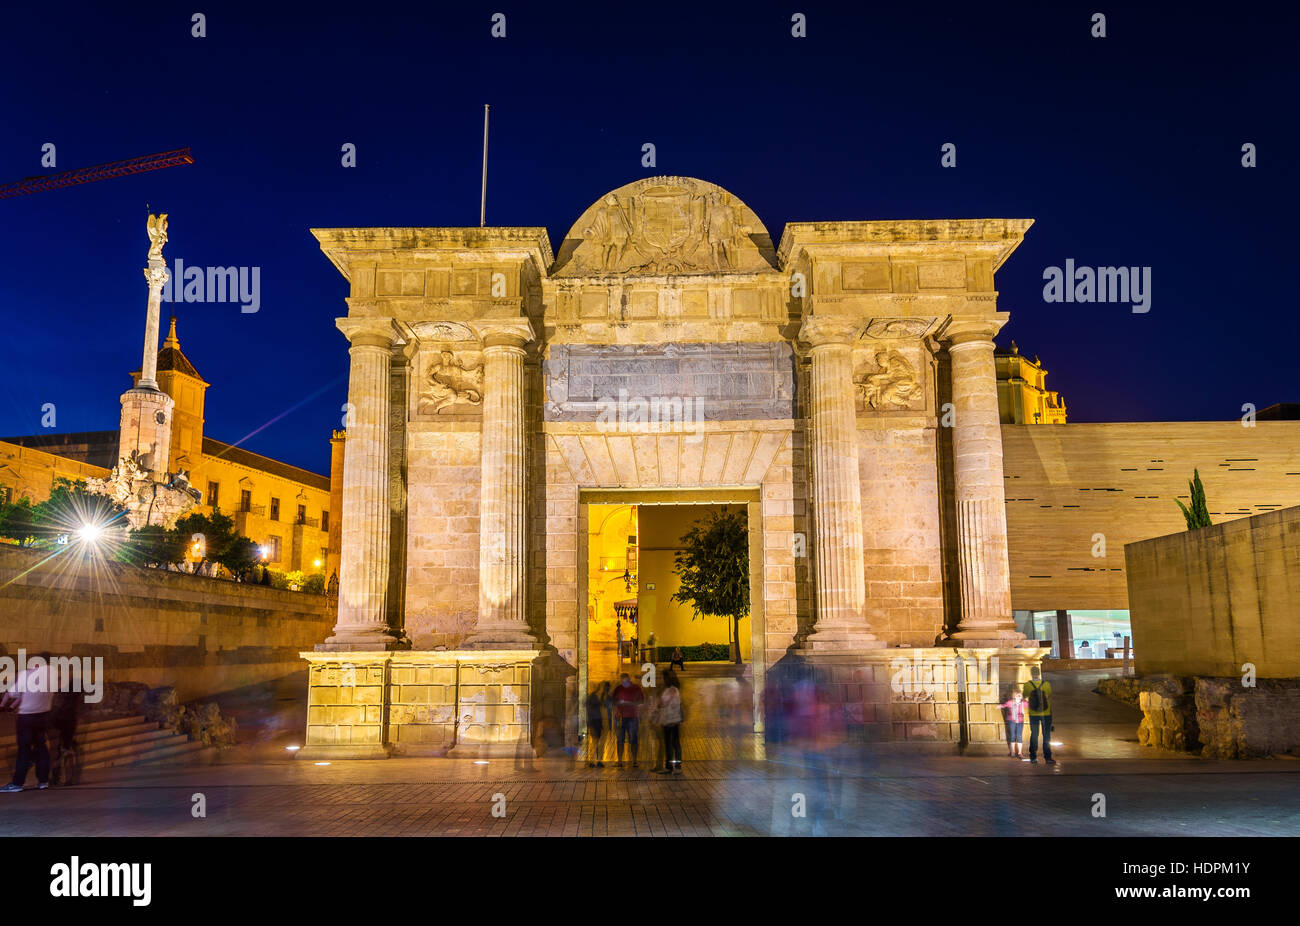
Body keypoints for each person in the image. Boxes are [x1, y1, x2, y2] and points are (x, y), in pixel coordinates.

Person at [1, 651, 55, 792]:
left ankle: (17, 783)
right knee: (42, 748)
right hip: (43, 716)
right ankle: (43, 781)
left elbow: (13, 693)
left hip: (26, 717)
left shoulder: (27, 674)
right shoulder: (54, 675)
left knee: (24, 749)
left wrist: (4, 705)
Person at [611, 673, 644, 768]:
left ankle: (634, 761)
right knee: (620, 740)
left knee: (633, 739)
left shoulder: (636, 688)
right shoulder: (618, 688)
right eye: (622, 681)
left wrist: (628, 703)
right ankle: (620, 761)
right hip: (621, 717)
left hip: (633, 717)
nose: (624, 683)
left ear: (629, 679)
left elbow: (641, 701)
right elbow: (613, 701)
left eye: (625, 681)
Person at [1023, 668, 1055, 765]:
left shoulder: (1027, 685)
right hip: (1046, 713)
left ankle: (1033, 757)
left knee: (1034, 735)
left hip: (1033, 714)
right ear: (1039, 673)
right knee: (1046, 736)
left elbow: (1025, 695)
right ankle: (1048, 758)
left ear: (1031, 674)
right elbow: (1048, 695)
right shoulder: (1046, 684)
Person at [657, 669, 684, 774]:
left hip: (673, 720)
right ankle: (669, 766)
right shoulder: (667, 690)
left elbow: (663, 703)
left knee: (675, 743)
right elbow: (661, 704)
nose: (661, 680)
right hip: (666, 720)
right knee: (668, 744)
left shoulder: (673, 690)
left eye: (662, 678)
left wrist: (661, 702)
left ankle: (677, 767)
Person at [585, 682, 608, 768]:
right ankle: (593, 761)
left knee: (597, 741)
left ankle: (596, 760)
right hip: (594, 721)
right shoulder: (592, 697)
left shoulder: (595, 696)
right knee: (595, 741)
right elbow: (593, 708)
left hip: (596, 721)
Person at [1000, 688, 1026, 758]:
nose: (1019, 697)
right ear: (1014, 696)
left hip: (1020, 721)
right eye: (1018, 695)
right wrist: (1000, 706)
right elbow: (1004, 705)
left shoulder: (1023, 703)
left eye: (1020, 695)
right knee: (1012, 736)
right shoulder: (1010, 702)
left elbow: (1029, 705)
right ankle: (1013, 752)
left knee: (1019, 736)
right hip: (1012, 721)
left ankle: (1020, 753)